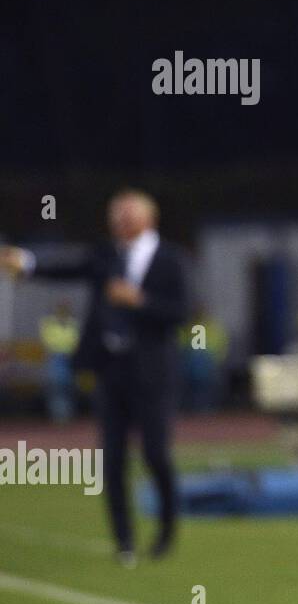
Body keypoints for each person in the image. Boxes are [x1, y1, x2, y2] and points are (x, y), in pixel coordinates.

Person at [2, 189, 189, 566]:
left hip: (151, 371)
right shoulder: (105, 254)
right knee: (112, 458)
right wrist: (28, 264)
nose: (118, 219)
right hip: (110, 367)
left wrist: (140, 301)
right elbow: (67, 268)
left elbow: (180, 312)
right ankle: (124, 541)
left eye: (126, 212)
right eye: (114, 212)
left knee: (155, 453)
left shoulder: (169, 259)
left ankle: (167, 529)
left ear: (148, 217)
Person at [39, 300, 80, 423]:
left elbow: (76, 340)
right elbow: (47, 340)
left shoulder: (72, 323)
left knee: (68, 387)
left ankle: (67, 414)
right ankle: (59, 416)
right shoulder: (50, 323)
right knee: (57, 386)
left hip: (70, 358)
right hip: (56, 357)